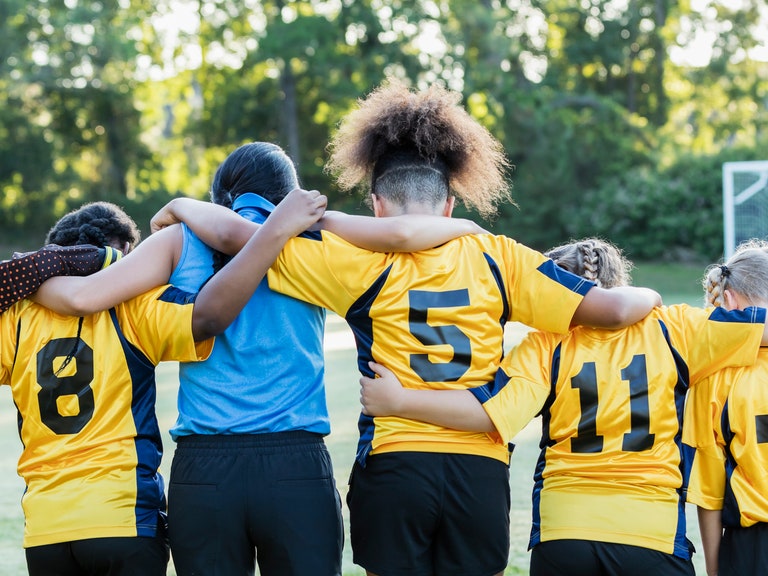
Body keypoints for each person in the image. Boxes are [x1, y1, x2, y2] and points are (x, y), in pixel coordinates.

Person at [151, 81, 662, 576]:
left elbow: (243, 237)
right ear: (448, 205)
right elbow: (613, 311)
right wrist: (652, 295)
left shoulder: (354, 263)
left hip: (395, 464)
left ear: (375, 203)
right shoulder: (502, 257)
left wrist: (183, 206)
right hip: (477, 470)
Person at [24, 142, 485, 576]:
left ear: (221, 195)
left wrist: (28, 272)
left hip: (203, 475)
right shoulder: (311, 242)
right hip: (295, 467)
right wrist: (465, 227)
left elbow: (86, 295)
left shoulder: (179, 243)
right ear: (288, 194)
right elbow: (404, 235)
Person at [356, 237, 768, 576]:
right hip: (652, 534)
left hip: (564, 532)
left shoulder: (543, 345)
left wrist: (401, 401)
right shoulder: (676, 327)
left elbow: (490, 415)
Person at [0, 191, 327, 576]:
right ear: (121, 250)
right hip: (122, 517)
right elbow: (206, 314)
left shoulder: (16, 319)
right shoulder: (134, 304)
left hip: (44, 530)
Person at [684, 239, 768, 576]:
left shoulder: (713, 378)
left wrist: (716, 569)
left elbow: (710, 492)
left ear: (727, 299)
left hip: (753, 548)